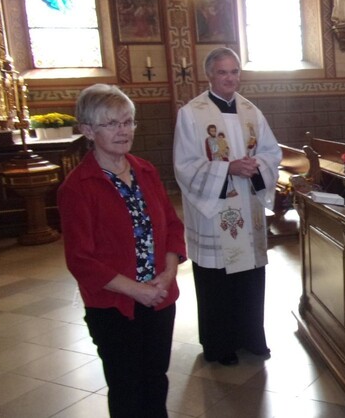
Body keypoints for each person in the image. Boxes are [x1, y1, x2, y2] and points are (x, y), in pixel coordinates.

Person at [58, 84, 186, 417]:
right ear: (88, 130)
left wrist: (168, 274)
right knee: (127, 387)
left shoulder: (145, 170)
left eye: (128, 122)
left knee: (156, 380)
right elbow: (81, 260)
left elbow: (172, 226)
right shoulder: (78, 186)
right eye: (112, 123)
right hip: (114, 306)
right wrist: (136, 291)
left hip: (159, 297)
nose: (123, 131)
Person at [174, 47, 282, 366]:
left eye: (234, 71)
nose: (230, 78)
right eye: (223, 72)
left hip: (247, 209)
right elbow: (185, 165)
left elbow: (271, 153)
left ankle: (251, 336)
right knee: (217, 281)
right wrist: (227, 169)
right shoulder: (192, 113)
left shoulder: (251, 111)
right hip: (215, 213)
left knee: (249, 275)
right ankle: (219, 344)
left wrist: (256, 166)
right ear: (209, 75)